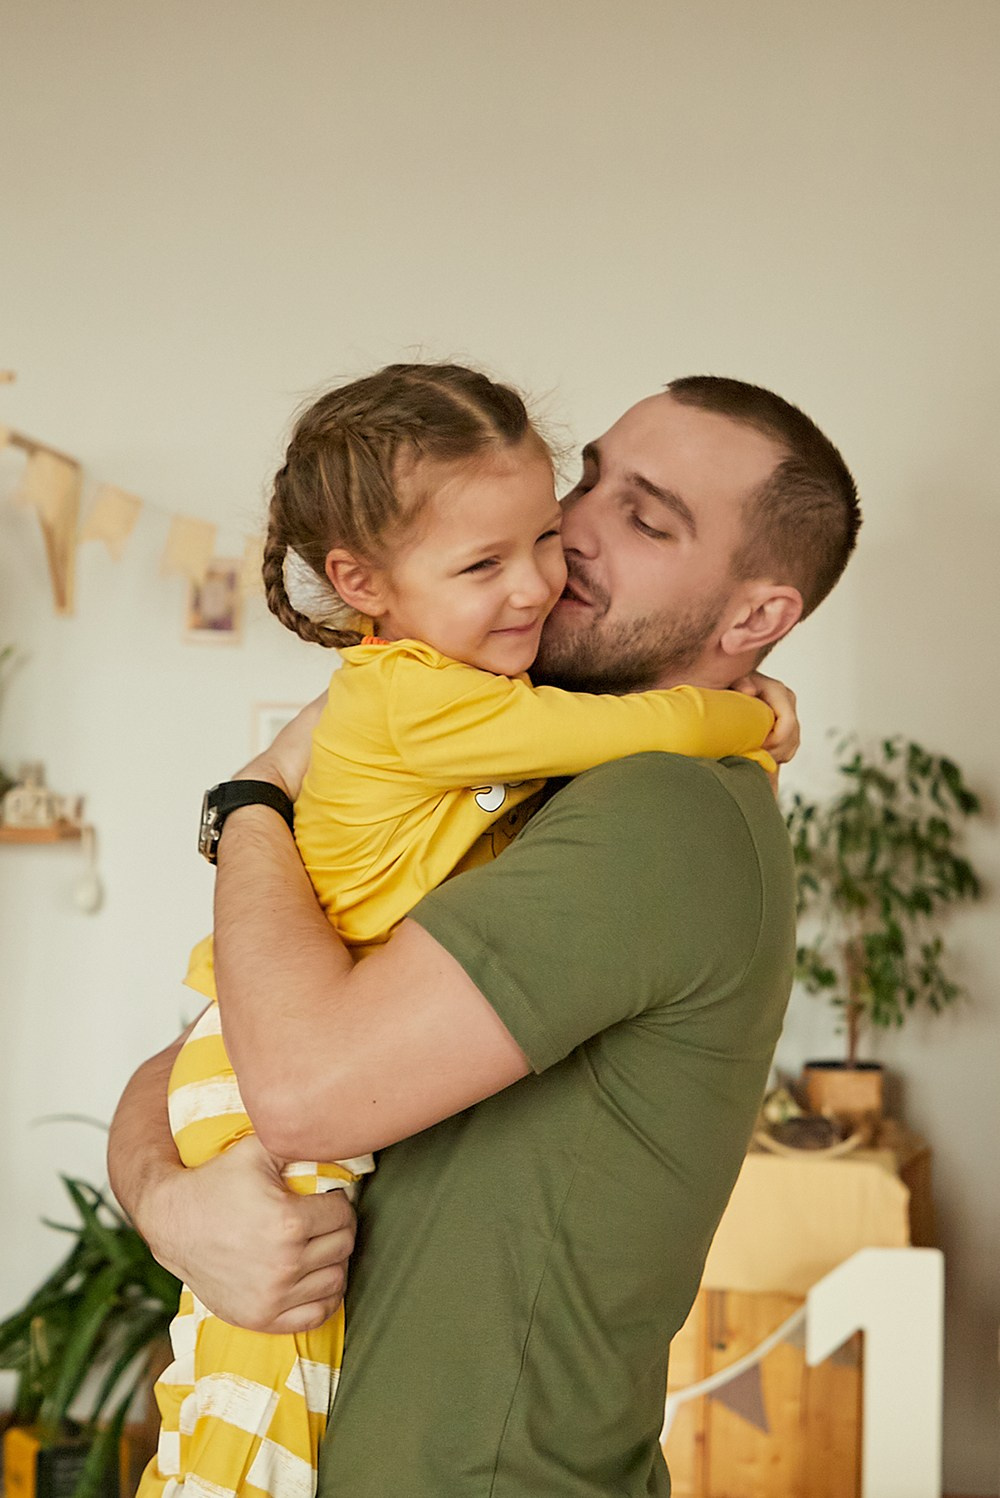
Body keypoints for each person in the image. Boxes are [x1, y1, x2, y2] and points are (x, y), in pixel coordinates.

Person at [109, 374, 860, 1498]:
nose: (573, 536)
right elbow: (194, 1063)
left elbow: (302, 1090)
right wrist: (175, 1207)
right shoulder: (521, 782)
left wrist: (253, 797)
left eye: (647, 519)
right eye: (589, 483)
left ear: (755, 619)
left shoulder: (665, 811)